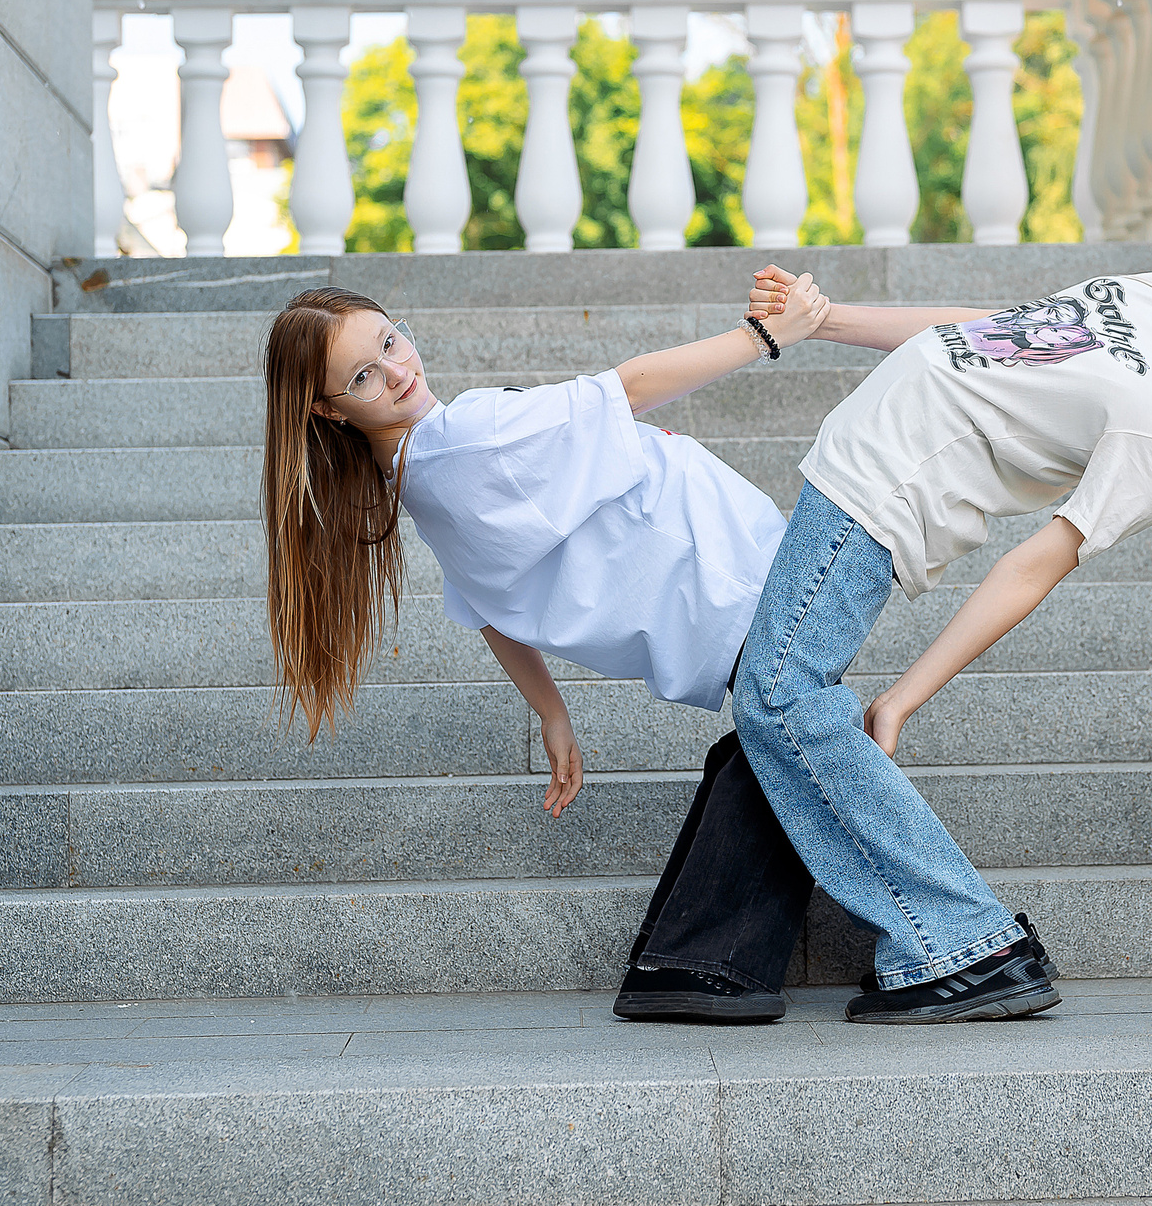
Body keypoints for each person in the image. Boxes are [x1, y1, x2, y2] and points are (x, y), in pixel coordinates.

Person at [617, 268, 1152, 1027]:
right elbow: (988, 333)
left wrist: (903, 697)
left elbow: (1035, 566)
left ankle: (964, 940)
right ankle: (711, 958)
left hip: (885, 495)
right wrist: (826, 323)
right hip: (859, 462)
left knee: (780, 693)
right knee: (777, 696)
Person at [259, 275, 833, 827]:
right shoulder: (468, 433)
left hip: (723, 610)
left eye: (390, 340)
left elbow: (488, 609)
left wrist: (551, 713)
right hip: (748, 583)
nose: (396, 370)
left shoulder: (417, 481)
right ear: (328, 410)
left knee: (805, 766)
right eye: (363, 376)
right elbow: (626, 390)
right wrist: (764, 336)